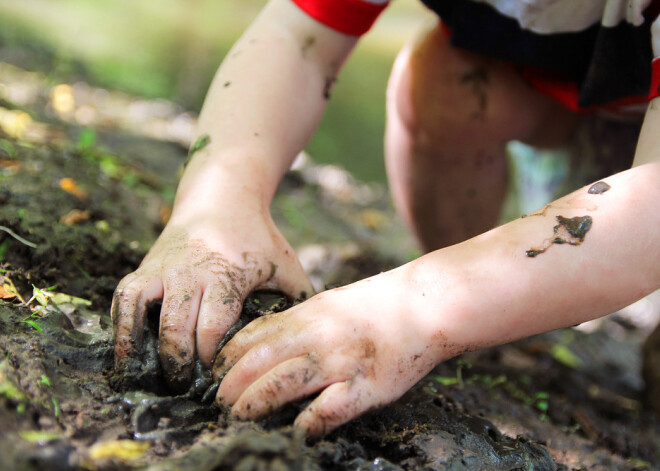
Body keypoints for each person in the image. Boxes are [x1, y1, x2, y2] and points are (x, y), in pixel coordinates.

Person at [112, 0, 660, 437]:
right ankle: (497, 318)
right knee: (447, 78)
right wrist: (221, 205)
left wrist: (409, 310)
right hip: (562, 85)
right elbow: (297, 36)